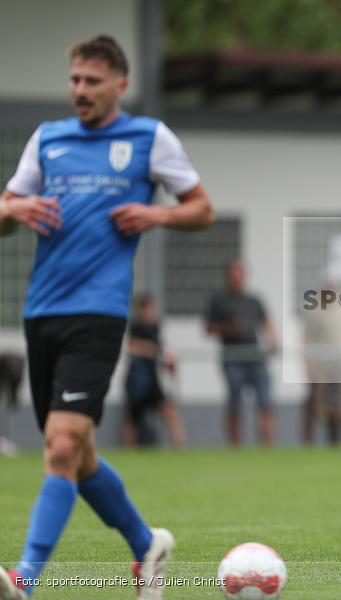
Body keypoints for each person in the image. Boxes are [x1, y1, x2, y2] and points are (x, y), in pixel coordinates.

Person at [0, 35, 213, 600]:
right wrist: (14, 208)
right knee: (80, 453)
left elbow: (201, 209)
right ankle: (147, 546)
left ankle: (24, 578)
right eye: (74, 80)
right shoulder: (48, 139)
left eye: (92, 81)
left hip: (99, 311)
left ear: (119, 85)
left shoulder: (148, 137)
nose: (80, 91)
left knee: (62, 446)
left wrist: (155, 214)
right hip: (42, 309)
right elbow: (1, 213)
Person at [206, 259, 280, 447]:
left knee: (265, 402)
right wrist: (228, 328)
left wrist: (273, 340)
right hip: (232, 357)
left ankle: (267, 447)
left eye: (241, 274)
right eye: (234, 275)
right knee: (235, 404)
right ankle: (235, 447)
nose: (237, 279)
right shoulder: (219, 300)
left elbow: (266, 323)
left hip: (254, 356)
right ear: (229, 277)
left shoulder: (253, 300)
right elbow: (209, 329)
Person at [123, 294, 186, 448]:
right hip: (137, 381)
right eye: (147, 309)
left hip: (154, 380)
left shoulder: (155, 328)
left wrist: (168, 361)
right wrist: (149, 350)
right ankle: (127, 451)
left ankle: (180, 446)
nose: (150, 312)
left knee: (169, 410)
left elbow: (161, 351)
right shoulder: (135, 327)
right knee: (133, 419)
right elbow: (131, 346)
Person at [303, 281, 341, 445]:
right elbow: (307, 339)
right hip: (319, 366)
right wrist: (309, 365)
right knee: (313, 403)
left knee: (336, 403)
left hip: (336, 366)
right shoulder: (314, 312)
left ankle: (335, 440)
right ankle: (308, 440)